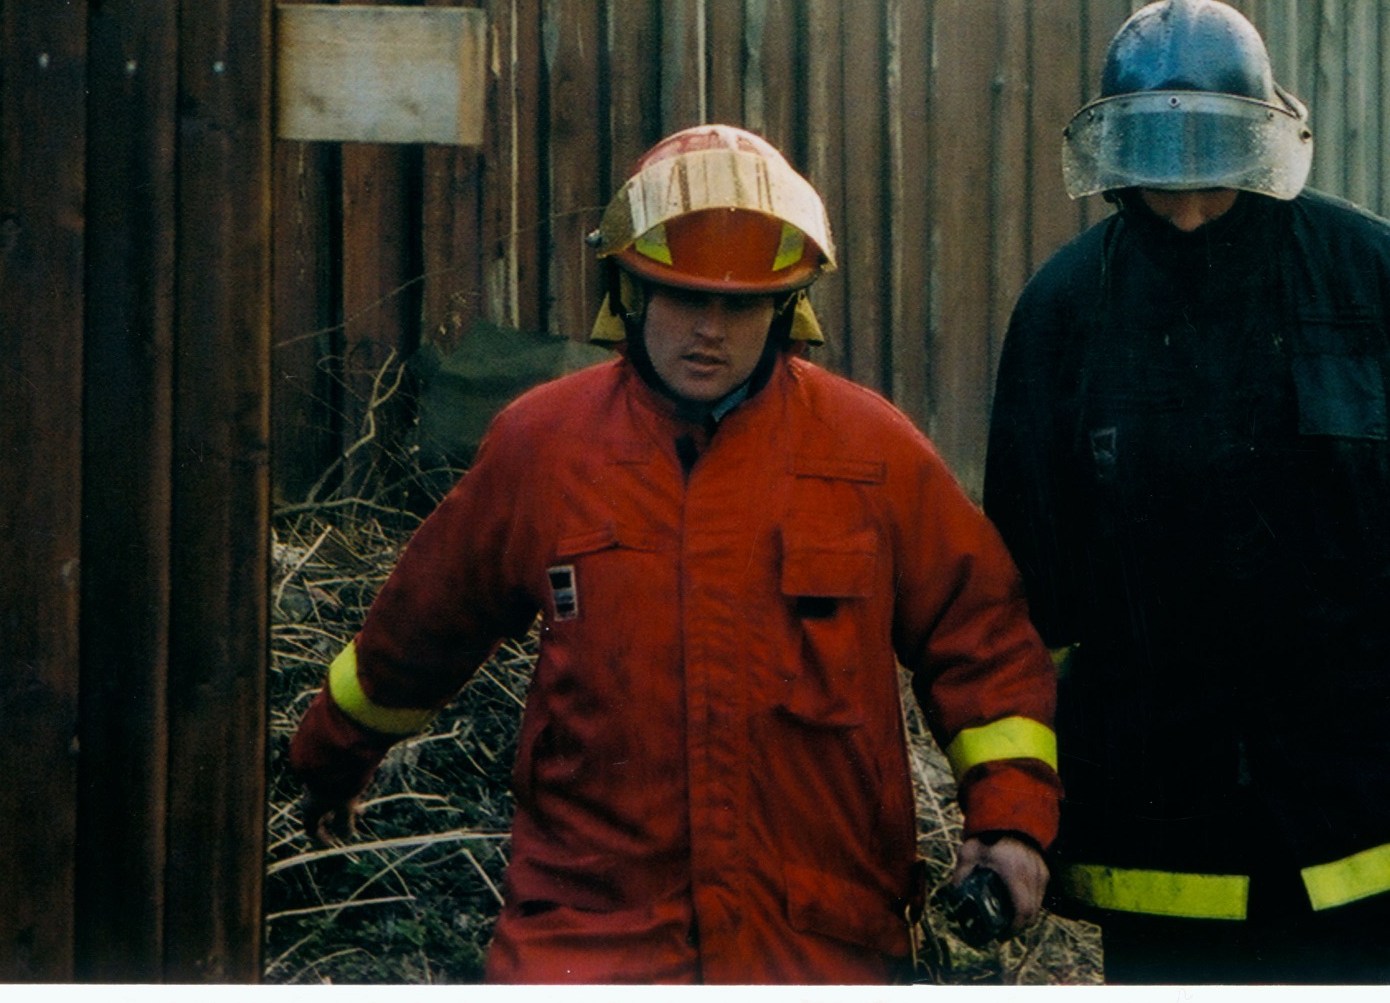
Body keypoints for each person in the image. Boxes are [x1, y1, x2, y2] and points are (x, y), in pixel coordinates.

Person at [284, 123, 1059, 982]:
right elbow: (420, 629)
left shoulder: (872, 455)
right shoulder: (544, 448)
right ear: (629, 291)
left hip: (815, 944)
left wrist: (1009, 822)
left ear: (787, 306)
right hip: (590, 939)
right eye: (685, 296)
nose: (709, 330)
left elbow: (980, 638)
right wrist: (329, 755)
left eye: (740, 304)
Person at [983, 0, 1390, 984]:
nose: (1186, 205)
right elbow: (1016, 600)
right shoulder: (1065, 315)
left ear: (1265, 141)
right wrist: (1012, 801)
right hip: (1160, 839)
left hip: (1370, 821)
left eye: (1213, 171)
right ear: (1115, 159)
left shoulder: (1375, 281)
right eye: (1159, 174)